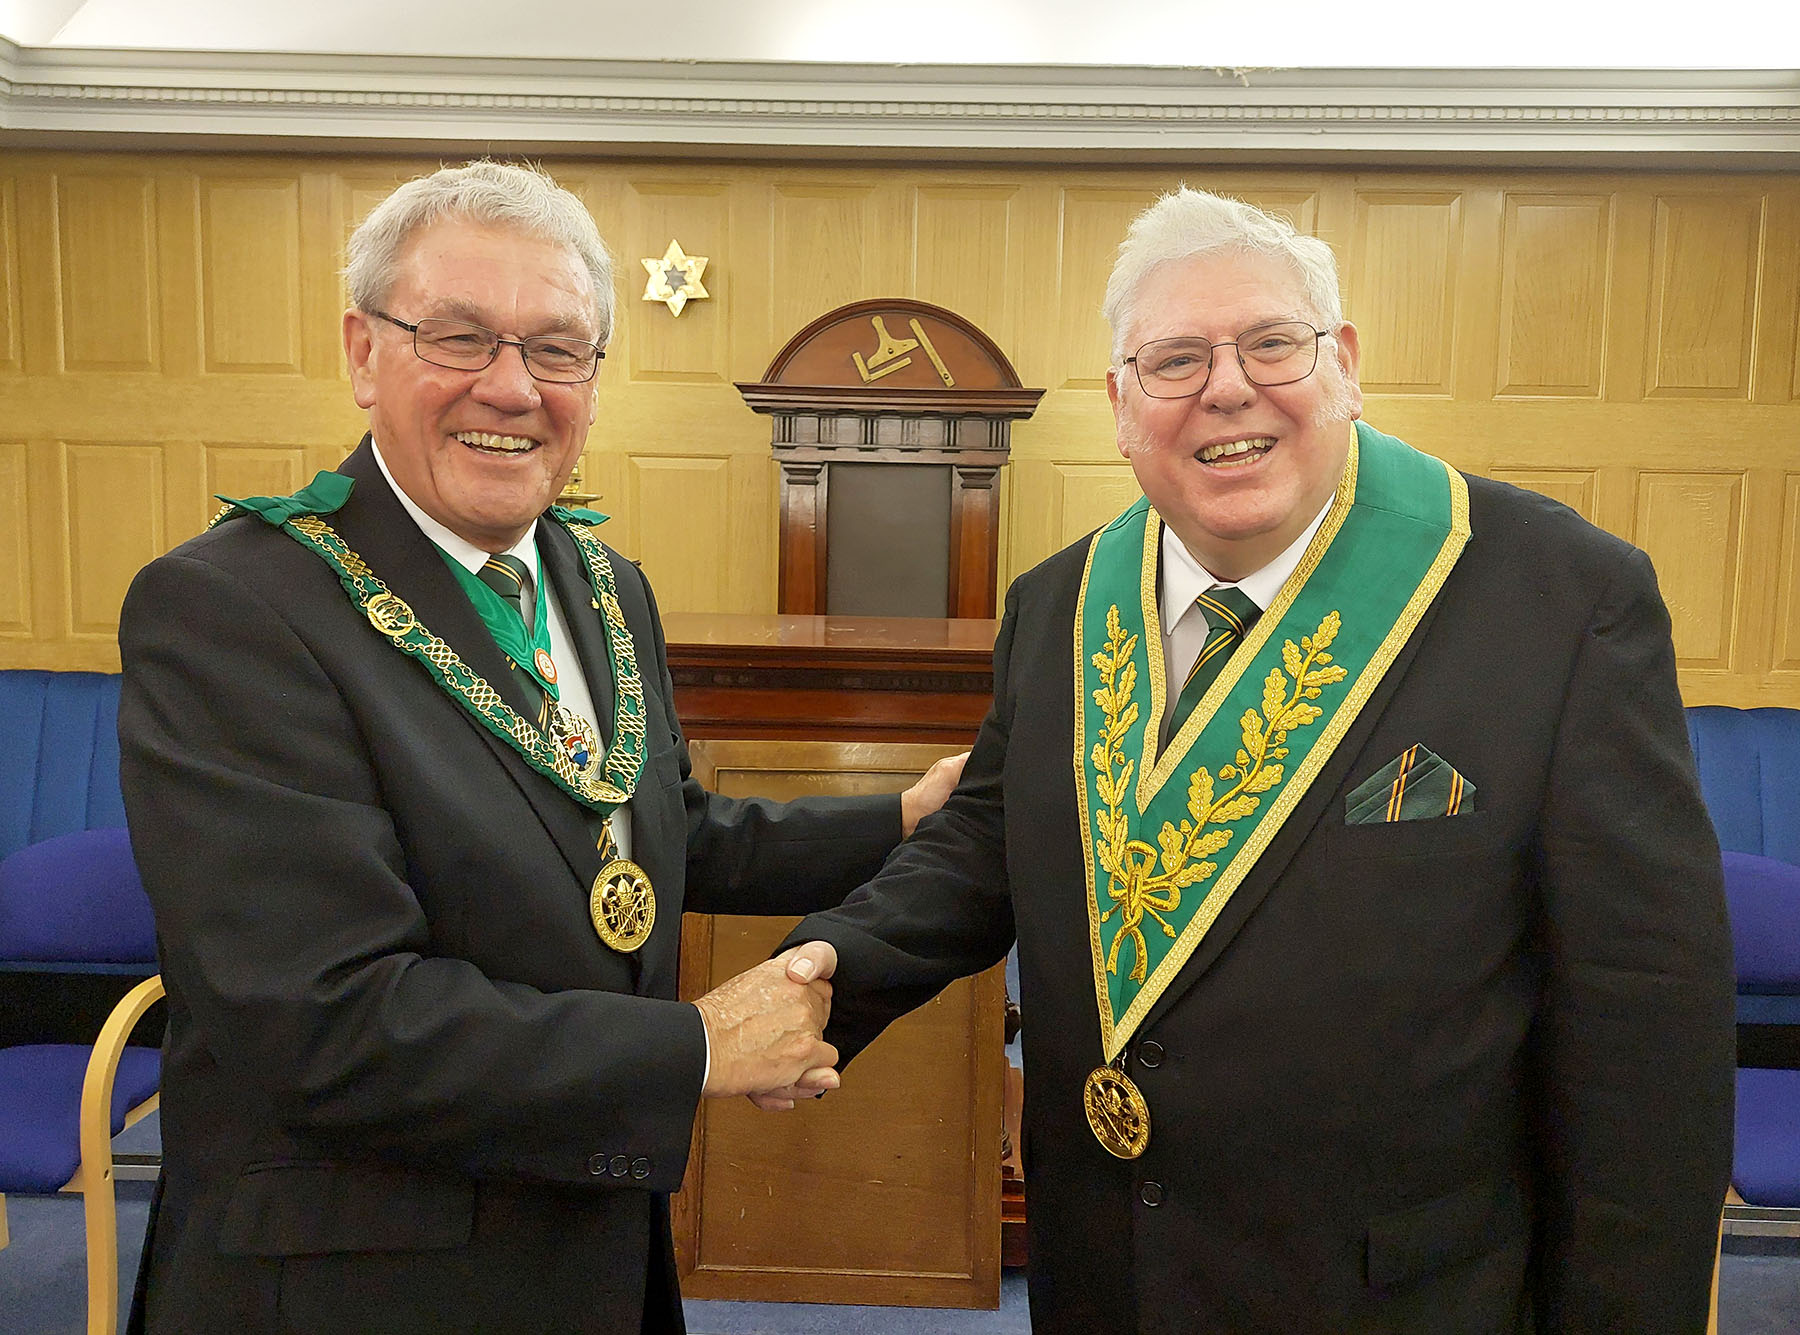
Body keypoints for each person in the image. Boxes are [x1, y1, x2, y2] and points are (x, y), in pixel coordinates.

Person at [781, 187, 1736, 1334]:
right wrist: (819, 979)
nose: (1227, 388)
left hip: (1396, 1297)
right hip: (1109, 1272)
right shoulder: (1059, 604)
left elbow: (1645, 1021)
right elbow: (987, 844)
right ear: (1120, 404)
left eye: (1271, 344)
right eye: (1175, 359)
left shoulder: (1561, 597)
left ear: (1345, 364)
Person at [116, 160, 961, 1335]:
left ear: (594, 380)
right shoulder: (234, 609)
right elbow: (325, 1020)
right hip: (358, 1281)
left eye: (557, 350)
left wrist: (900, 820)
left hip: (589, 1243)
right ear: (364, 353)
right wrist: (691, 1048)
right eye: (459, 337)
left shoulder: (601, 581)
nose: (512, 387)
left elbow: (650, 830)